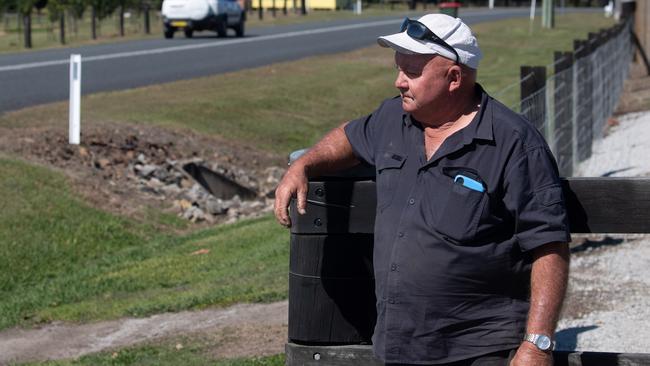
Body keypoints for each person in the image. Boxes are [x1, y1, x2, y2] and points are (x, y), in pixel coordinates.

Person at [274, 13, 570, 366]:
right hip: (400, 346)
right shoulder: (393, 119)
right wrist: (304, 164)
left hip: (480, 350)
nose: (399, 81)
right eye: (399, 69)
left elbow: (550, 244)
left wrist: (537, 345)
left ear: (454, 77)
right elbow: (349, 137)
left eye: (411, 72)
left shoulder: (514, 142)